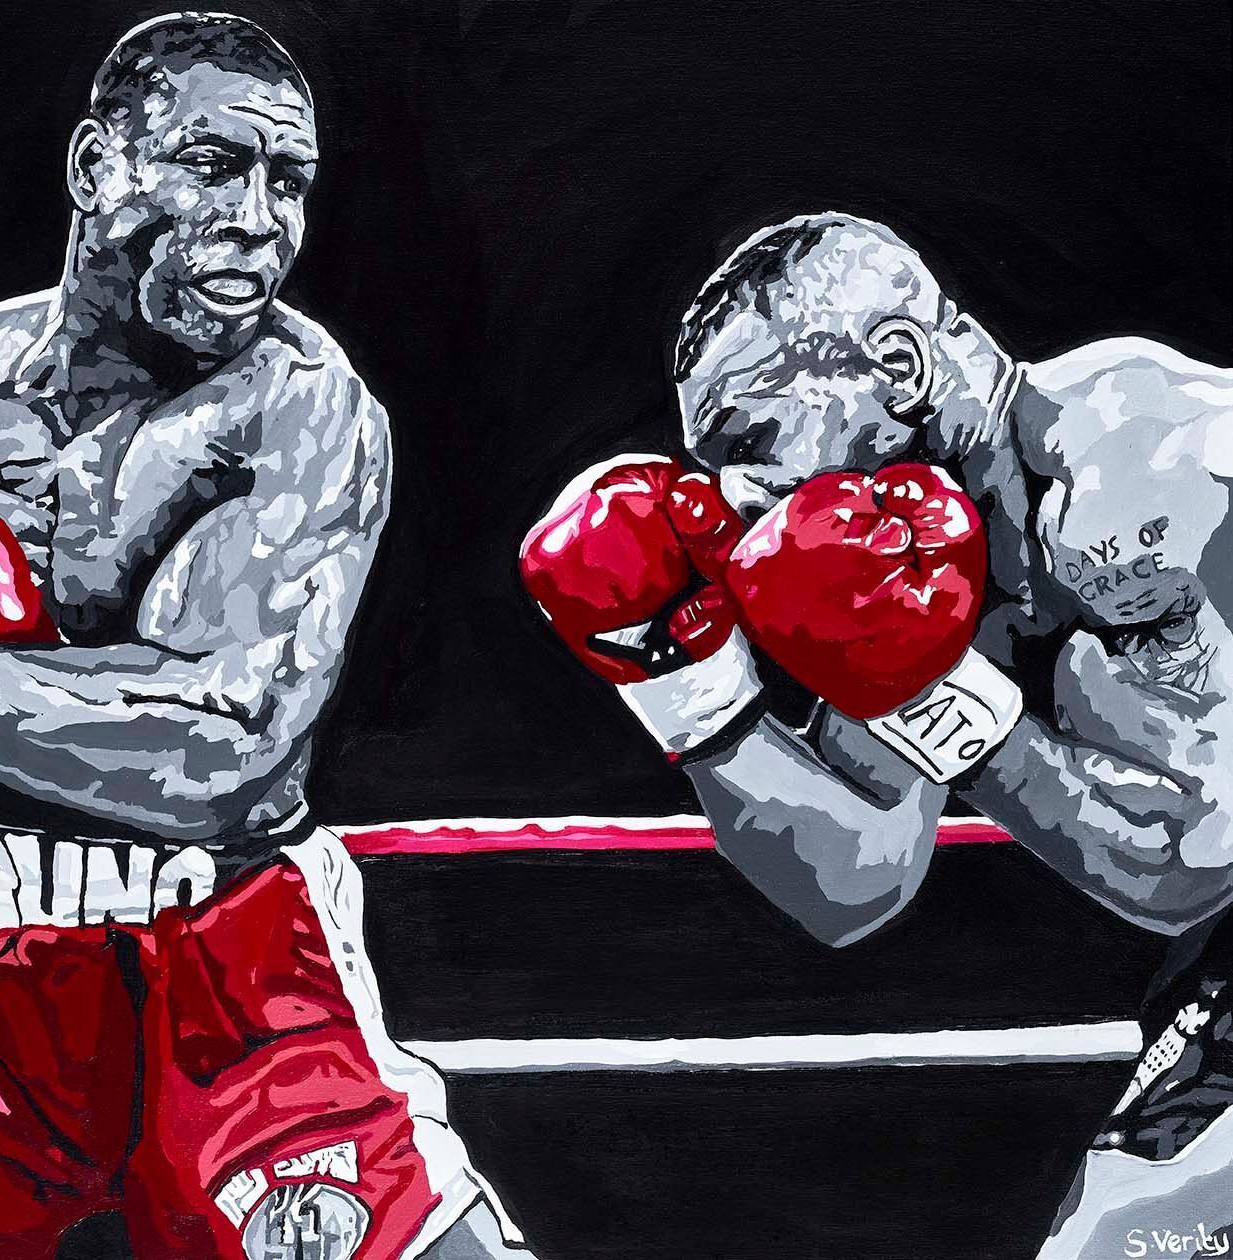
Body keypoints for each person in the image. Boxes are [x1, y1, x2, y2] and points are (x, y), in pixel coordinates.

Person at [0, 14, 524, 1259]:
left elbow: (223, 750)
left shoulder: (300, 408)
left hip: (236, 968)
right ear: (97, 166)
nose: (260, 220)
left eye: (289, 181)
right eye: (214, 164)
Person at [521, 211, 1230, 1257]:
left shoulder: (1137, 472)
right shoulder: (918, 553)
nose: (733, 496)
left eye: (751, 441)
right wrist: (687, 685)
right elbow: (854, 881)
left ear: (898, 368)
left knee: (1125, 1233)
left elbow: (1191, 862)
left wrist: (936, 690)